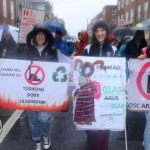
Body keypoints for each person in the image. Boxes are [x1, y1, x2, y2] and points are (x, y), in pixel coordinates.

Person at [25, 23, 58, 150]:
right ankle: (37, 140)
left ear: (46, 36)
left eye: (43, 34)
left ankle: (45, 135)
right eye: (38, 33)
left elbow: (57, 70)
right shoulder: (26, 50)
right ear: (34, 36)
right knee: (33, 120)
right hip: (30, 92)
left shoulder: (52, 51)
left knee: (44, 118)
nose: (40, 36)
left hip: (47, 92)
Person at [83, 20, 115, 150]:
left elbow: (117, 70)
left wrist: (121, 84)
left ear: (106, 32)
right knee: (93, 120)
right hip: (91, 90)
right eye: (97, 31)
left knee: (105, 121)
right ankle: (92, 138)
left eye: (102, 30)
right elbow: (83, 69)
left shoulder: (113, 49)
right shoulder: (88, 48)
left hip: (107, 91)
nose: (99, 33)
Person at [138, 44, 150, 150]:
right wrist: (140, 60)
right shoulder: (145, 57)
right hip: (148, 95)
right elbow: (136, 69)